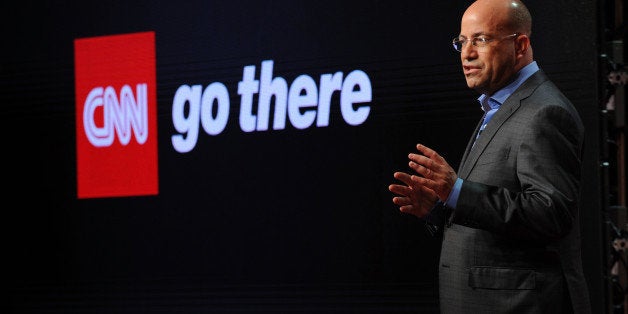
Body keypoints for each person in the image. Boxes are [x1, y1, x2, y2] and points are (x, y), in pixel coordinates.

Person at [388, 0, 592, 313]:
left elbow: (550, 214)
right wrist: (441, 208)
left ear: (520, 44)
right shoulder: (497, 107)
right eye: (462, 42)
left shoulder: (545, 112)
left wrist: (457, 191)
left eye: (481, 40)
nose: (467, 54)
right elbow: (493, 216)